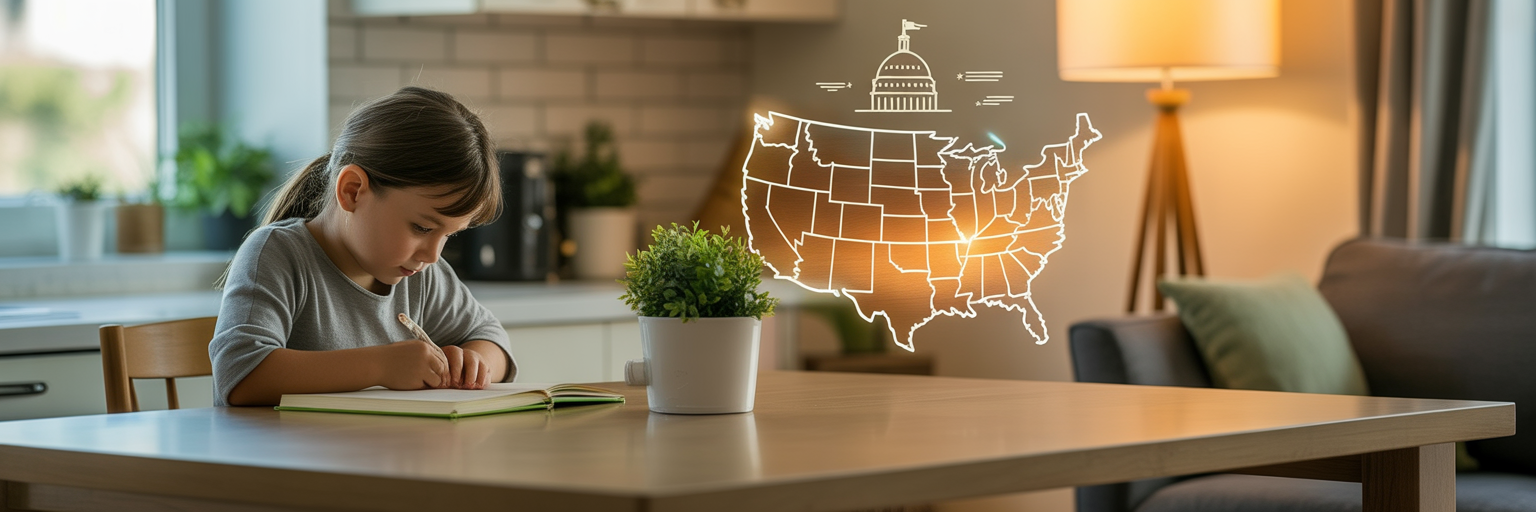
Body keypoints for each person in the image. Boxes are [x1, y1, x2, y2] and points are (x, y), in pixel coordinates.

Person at [210, 87, 515, 406]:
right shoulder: (277, 254)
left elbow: (492, 338)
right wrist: (382, 366)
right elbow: (242, 376)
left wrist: (474, 364)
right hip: (281, 455)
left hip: (376, 454)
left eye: (449, 235)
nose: (432, 255)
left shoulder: (419, 275)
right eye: (422, 227)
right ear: (353, 191)